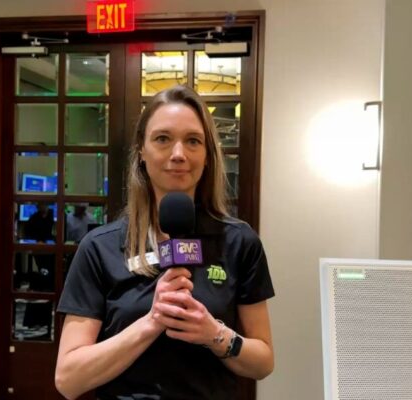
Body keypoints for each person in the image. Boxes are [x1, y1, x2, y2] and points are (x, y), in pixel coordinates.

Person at [55, 85, 275, 400]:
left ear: (207, 156)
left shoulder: (240, 242)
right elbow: (68, 380)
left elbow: (263, 362)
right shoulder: (99, 248)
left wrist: (215, 334)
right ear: (141, 152)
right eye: (162, 139)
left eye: (193, 141)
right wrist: (152, 322)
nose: (178, 154)